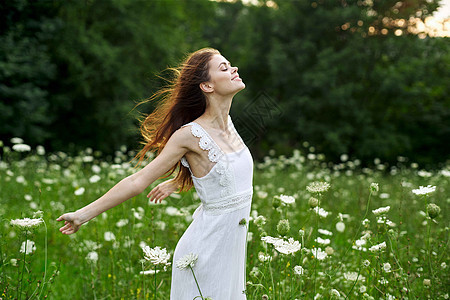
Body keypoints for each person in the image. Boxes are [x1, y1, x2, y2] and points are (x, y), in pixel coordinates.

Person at [57, 48, 253, 299]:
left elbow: (223, 174)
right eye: (224, 68)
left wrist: (179, 182)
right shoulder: (189, 135)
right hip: (203, 255)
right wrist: (82, 215)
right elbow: (138, 181)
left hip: (231, 255)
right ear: (207, 86)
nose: (234, 68)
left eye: (230, 64)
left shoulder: (230, 126)